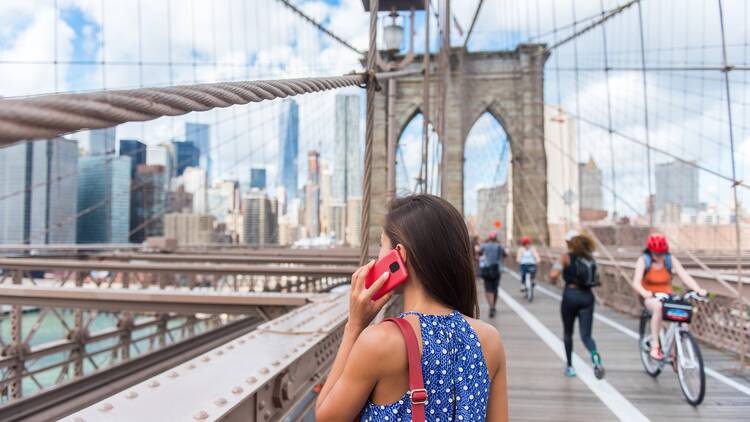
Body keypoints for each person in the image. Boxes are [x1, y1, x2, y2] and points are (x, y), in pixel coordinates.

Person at [315, 194, 508, 422]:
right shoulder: (490, 340)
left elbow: (325, 417)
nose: (377, 257)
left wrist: (354, 326)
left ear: (400, 255)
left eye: (381, 246)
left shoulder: (379, 342)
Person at [631, 233, 707, 360]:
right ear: (651, 251)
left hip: (667, 295)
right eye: (656, 254)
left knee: (682, 316)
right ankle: (655, 346)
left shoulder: (669, 259)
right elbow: (636, 282)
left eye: (662, 253)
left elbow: (684, 275)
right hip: (650, 297)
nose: (660, 257)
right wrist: (644, 292)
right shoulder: (644, 260)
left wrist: (697, 289)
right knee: (658, 308)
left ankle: (674, 349)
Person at [549, 230, 604, 379]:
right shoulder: (591, 259)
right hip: (587, 297)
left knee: (568, 333)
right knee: (586, 335)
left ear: (571, 244)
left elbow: (553, 275)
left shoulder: (566, 258)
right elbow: (597, 280)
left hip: (570, 296)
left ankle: (570, 367)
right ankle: (595, 356)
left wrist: (554, 278)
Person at [479, 231, 507, 318]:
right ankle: (493, 306)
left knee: (488, 289)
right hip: (497, 269)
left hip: (487, 269)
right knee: (495, 289)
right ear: (496, 238)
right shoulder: (499, 246)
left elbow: (479, 253)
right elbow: (505, 255)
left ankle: (490, 306)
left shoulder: (484, 245)